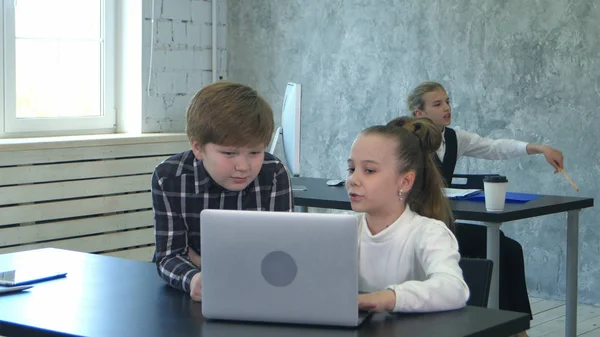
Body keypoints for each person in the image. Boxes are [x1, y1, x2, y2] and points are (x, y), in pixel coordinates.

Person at [405, 81, 564, 336]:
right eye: (438, 104)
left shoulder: (454, 138)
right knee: (494, 246)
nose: (447, 107)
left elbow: (494, 147)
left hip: (443, 226)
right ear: (418, 113)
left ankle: (515, 326)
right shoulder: (404, 143)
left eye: (447, 101)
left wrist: (538, 148)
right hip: (414, 231)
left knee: (506, 248)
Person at [152, 81, 293, 301]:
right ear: (198, 148)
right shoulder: (169, 177)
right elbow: (168, 256)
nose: (243, 166)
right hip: (199, 297)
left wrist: (203, 261)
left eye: (255, 152)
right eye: (229, 153)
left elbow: (280, 254)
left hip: (261, 293)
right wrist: (193, 278)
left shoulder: (273, 173)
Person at [346, 117, 469, 313]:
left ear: (405, 182)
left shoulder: (429, 233)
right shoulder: (345, 230)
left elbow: (454, 289)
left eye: (369, 170)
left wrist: (390, 297)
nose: (353, 179)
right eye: (351, 169)